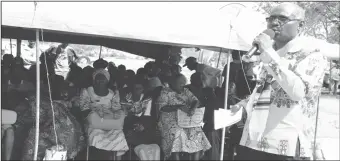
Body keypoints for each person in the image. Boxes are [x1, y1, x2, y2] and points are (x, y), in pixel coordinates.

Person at [232, 3, 328, 160]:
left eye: (282, 18)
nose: (274, 23)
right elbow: (267, 90)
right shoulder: (270, 54)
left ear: (300, 25)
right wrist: (245, 104)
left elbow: (297, 92)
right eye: (271, 18)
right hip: (253, 140)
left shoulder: (311, 55)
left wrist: (269, 55)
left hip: (284, 145)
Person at [21, 64, 86, 160]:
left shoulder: (47, 100)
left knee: (33, 135)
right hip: (64, 133)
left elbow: (38, 118)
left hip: (59, 132)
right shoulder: (38, 97)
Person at [156, 74, 211, 160]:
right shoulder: (165, 92)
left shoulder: (185, 91)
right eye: (180, 83)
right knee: (177, 136)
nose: (183, 85)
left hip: (185, 121)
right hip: (170, 122)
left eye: (184, 83)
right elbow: (162, 108)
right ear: (173, 83)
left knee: (197, 134)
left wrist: (193, 108)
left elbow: (195, 100)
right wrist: (178, 107)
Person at [79, 69, 128, 160]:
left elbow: (116, 108)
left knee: (119, 135)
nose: (100, 81)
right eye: (98, 79)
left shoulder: (113, 93)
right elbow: (83, 108)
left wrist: (119, 113)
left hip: (109, 120)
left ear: (107, 80)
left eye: (103, 79)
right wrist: (94, 113)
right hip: (93, 122)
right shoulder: (87, 91)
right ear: (94, 80)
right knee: (96, 135)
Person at [186, 72, 221, 160]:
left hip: (195, 122)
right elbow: (215, 106)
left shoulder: (187, 89)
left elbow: (213, 106)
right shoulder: (207, 90)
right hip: (204, 123)